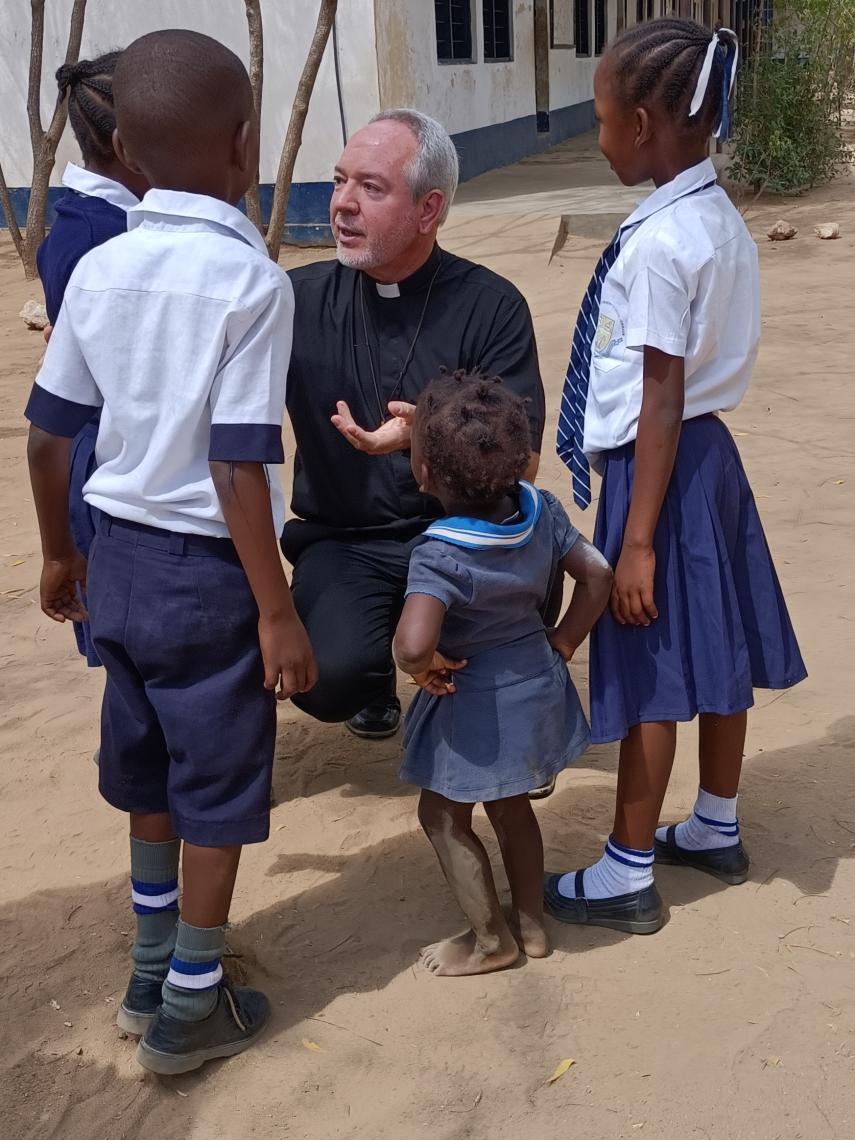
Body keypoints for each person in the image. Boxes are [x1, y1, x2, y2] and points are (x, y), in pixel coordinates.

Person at [24, 29, 316, 1074]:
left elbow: (50, 436)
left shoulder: (100, 266)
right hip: (208, 578)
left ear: (130, 156)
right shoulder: (252, 284)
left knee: (145, 767)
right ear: (244, 148)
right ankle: (192, 1003)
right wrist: (275, 609)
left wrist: (62, 558)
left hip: (121, 566)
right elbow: (241, 469)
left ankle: (149, 968)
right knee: (218, 787)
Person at [544, 20, 807, 935]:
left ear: (647, 123)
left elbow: (658, 397)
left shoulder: (660, 245)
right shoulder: (712, 216)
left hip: (658, 471)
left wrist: (638, 538)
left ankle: (625, 871)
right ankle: (716, 825)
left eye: (604, 119)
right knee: (716, 647)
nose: (601, 135)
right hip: (706, 463)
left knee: (648, 655)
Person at [283, 109, 546, 743]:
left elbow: (525, 462)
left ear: (429, 210)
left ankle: (511, 705)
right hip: (345, 539)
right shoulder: (289, 301)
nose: (342, 203)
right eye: (340, 181)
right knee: (326, 679)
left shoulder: (491, 305)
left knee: (511, 626)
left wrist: (424, 434)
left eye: (371, 188)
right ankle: (372, 679)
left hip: (469, 534)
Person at [393, 372, 612, 975]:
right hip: (536, 683)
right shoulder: (541, 511)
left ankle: (492, 941)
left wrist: (420, 666)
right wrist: (563, 641)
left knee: (441, 814)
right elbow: (596, 575)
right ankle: (534, 926)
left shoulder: (440, 555)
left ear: (426, 476)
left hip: (474, 703)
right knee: (513, 808)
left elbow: (414, 645)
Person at [37, 51, 148, 666]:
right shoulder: (99, 241)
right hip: (109, 463)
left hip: (114, 447)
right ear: (129, 147)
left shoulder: (95, 222)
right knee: (130, 641)